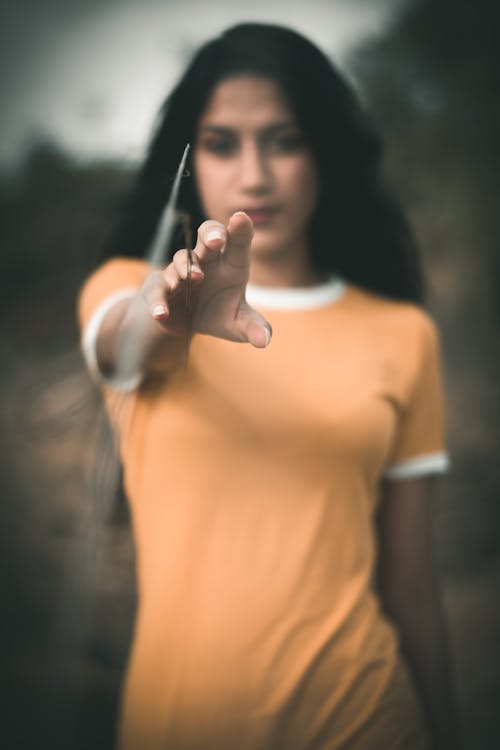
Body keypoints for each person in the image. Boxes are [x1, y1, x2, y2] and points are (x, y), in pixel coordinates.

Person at [78, 23, 458, 750]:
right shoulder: (132, 290)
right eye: (222, 142)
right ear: (189, 162)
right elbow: (125, 338)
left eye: (284, 139)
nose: (255, 174)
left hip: (370, 723)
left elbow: (412, 587)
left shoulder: (404, 334)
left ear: (325, 151)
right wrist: (172, 313)